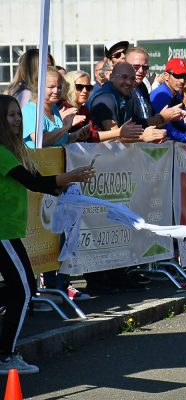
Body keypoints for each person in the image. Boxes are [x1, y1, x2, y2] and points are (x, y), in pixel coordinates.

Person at [0, 94, 95, 373]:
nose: (16, 120)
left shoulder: (15, 151)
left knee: (23, 289)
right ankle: (6, 356)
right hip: (2, 232)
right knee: (25, 290)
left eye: (18, 114)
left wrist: (64, 186)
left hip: (7, 231)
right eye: (10, 115)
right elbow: (32, 182)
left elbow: (41, 182)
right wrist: (68, 178)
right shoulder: (2, 153)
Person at [21, 67, 89, 148]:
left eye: (59, 87)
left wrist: (77, 134)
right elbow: (40, 141)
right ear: (38, 87)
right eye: (51, 87)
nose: (56, 91)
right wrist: (66, 127)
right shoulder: (31, 110)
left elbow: (61, 140)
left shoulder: (54, 108)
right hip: (37, 160)